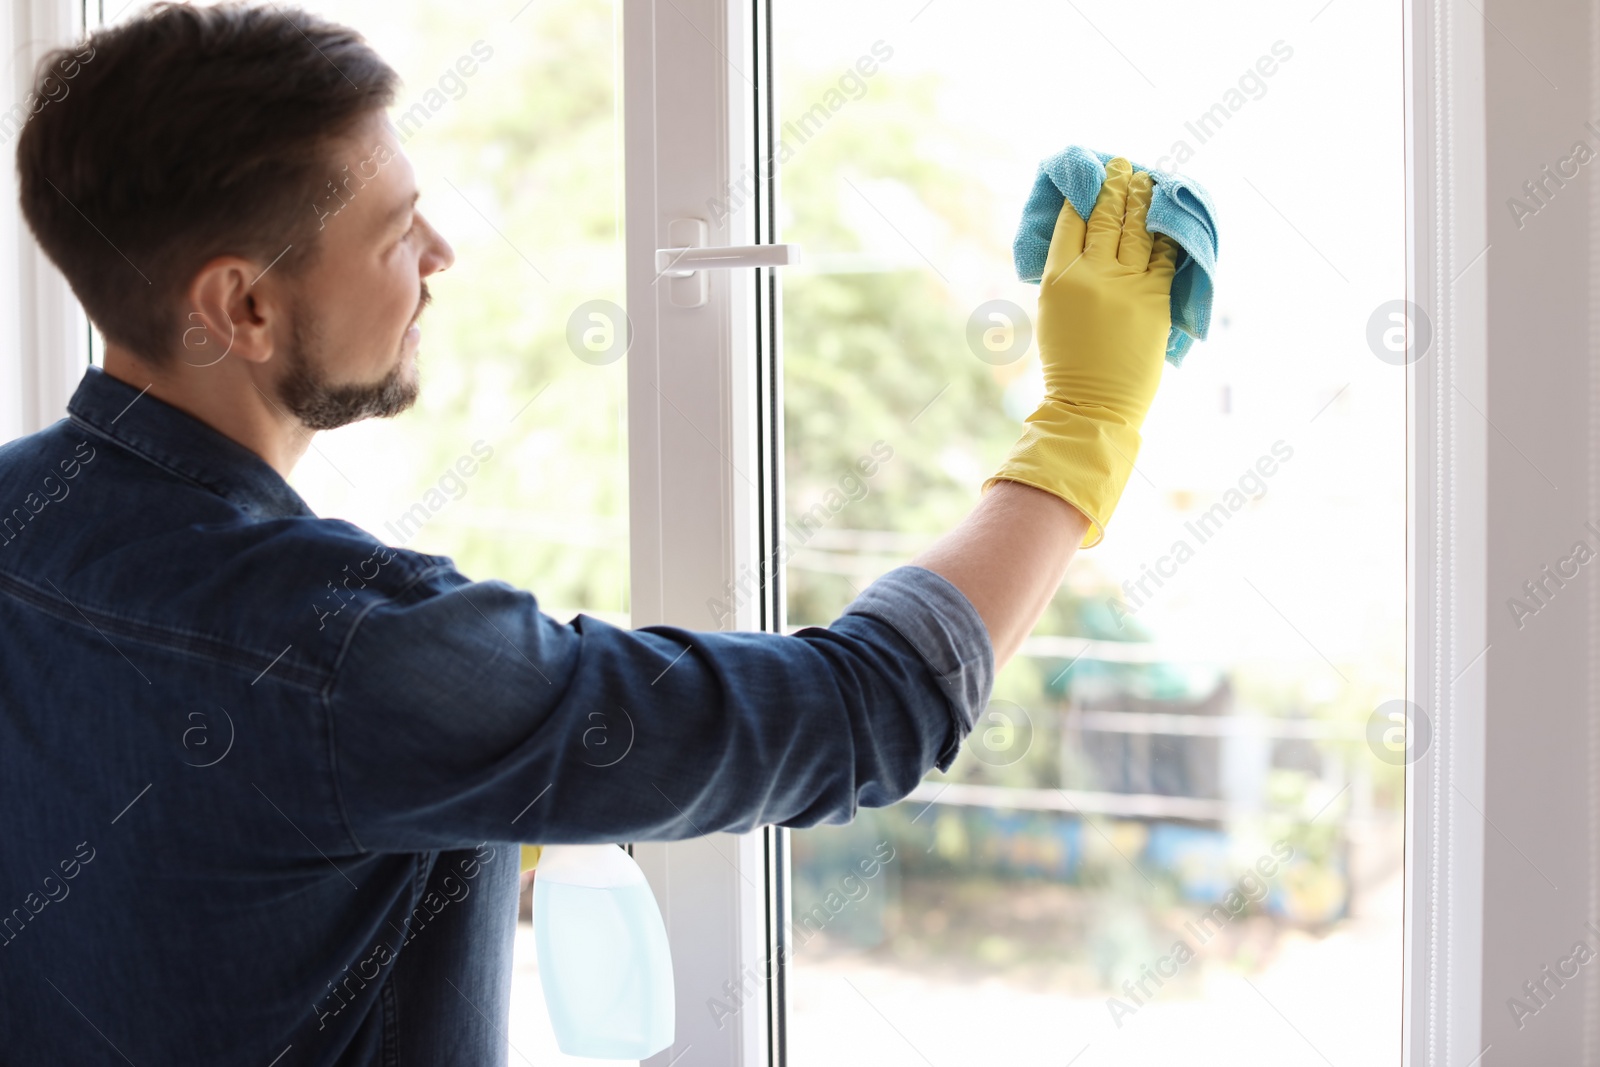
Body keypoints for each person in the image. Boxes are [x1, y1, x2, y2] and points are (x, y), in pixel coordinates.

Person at [0, 4, 1177, 1064]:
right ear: (242, 306)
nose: (439, 256)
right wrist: (1084, 426)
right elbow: (865, 707)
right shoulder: (343, 652)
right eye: (397, 228)